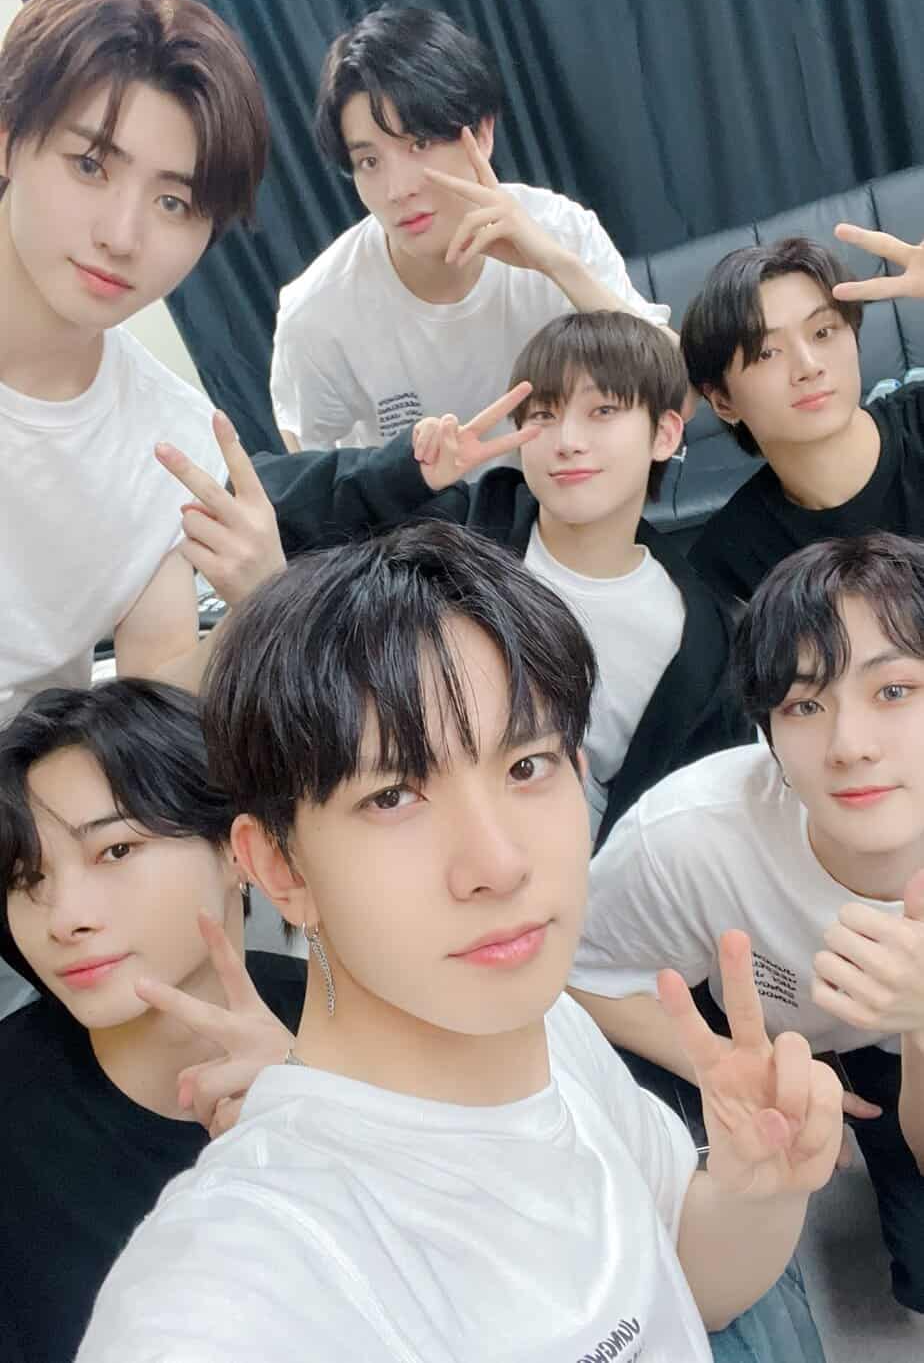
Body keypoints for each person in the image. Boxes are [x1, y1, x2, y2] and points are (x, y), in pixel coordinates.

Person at [75, 520, 842, 1361]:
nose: (498, 865)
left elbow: (685, 1278)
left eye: (526, 767)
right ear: (280, 868)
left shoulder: (553, 1033)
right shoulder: (229, 1290)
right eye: (393, 797)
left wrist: (759, 1192)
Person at [0, 0, 295, 1017]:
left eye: (174, 202)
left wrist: (262, 599)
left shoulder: (167, 434)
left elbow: (154, 702)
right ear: (9, 140)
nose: (123, 235)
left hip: (23, 830)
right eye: (90, 164)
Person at [569, 531, 924, 1314]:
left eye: (894, 691)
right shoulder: (691, 836)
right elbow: (582, 972)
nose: (850, 746)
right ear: (767, 731)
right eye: (805, 705)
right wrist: (724, 1063)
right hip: (761, 1028)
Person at [257, 310, 750, 848]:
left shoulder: (701, 640)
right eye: (544, 415)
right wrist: (405, 473)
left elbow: (703, 816)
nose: (568, 440)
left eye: (603, 411)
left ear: (664, 433)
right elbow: (266, 497)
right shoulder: (455, 532)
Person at [0, 679, 304, 1363]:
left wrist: (323, 1125)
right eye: (27, 878)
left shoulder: (364, 1028)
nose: (65, 918)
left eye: (115, 851)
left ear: (237, 849)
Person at [270, 5, 672, 453]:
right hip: (423, 501)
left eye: (420, 143)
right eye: (369, 161)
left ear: (482, 133)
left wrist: (558, 267)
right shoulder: (317, 314)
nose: (398, 190)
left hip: (571, 487)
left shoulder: (560, 229)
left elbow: (680, 395)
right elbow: (311, 479)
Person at [681, 235, 924, 604]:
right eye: (766, 353)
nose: (808, 367)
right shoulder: (731, 564)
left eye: (822, 332)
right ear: (723, 401)